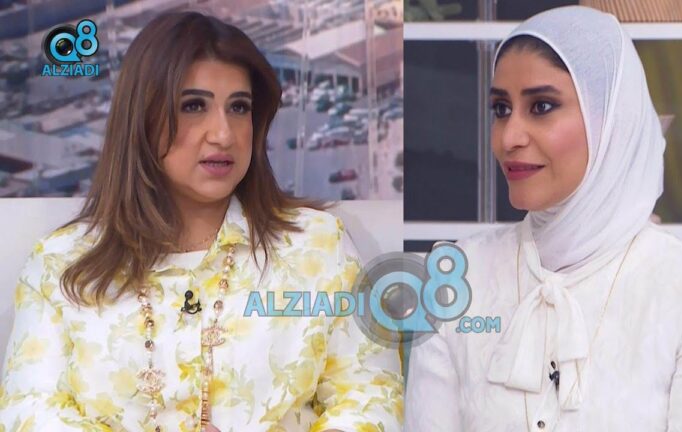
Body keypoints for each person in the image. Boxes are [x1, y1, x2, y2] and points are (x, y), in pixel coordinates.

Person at [0, 11, 403, 432]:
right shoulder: (61, 265)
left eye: (239, 108)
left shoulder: (318, 247)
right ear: (142, 116)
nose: (223, 134)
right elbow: (28, 414)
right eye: (194, 106)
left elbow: (373, 401)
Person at [404, 6, 682, 432]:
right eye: (501, 109)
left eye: (541, 106)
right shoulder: (456, 278)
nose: (510, 137)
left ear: (608, 121)